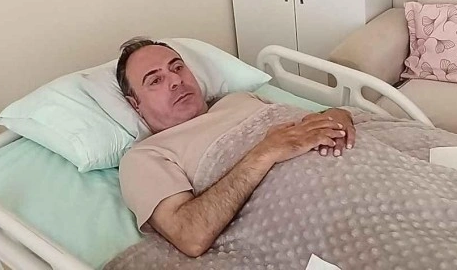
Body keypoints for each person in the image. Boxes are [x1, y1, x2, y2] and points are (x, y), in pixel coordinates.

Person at [117, 38, 356, 257]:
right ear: (135, 104)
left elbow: (305, 124)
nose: (176, 81)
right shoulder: (144, 156)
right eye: (155, 80)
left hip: (362, 161)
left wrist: (335, 115)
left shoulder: (238, 98)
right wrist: (266, 152)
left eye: (177, 67)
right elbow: (190, 235)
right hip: (330, 218)